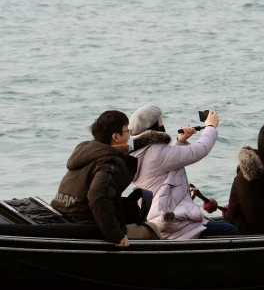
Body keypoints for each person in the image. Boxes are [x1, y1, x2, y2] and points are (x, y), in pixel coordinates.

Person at [51, 110, 160, 247]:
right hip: (87, 223)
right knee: (153, 229)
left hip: (65, 212)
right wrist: (115, 234)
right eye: (127, 131)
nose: (130, 135)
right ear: (116, 137)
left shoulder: (86, 150)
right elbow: (98, 196)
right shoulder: (110, 163)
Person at [129, 106, 238, 239]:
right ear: (155, 126)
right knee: (231, 231)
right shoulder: (156, 152)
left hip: (161, 218)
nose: (163, 124)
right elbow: (199, 150)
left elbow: (168, 162)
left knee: (226, 224)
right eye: (160, 121)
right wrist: (210, 127)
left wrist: (181, 141)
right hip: (172, 224)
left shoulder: (142, 151)